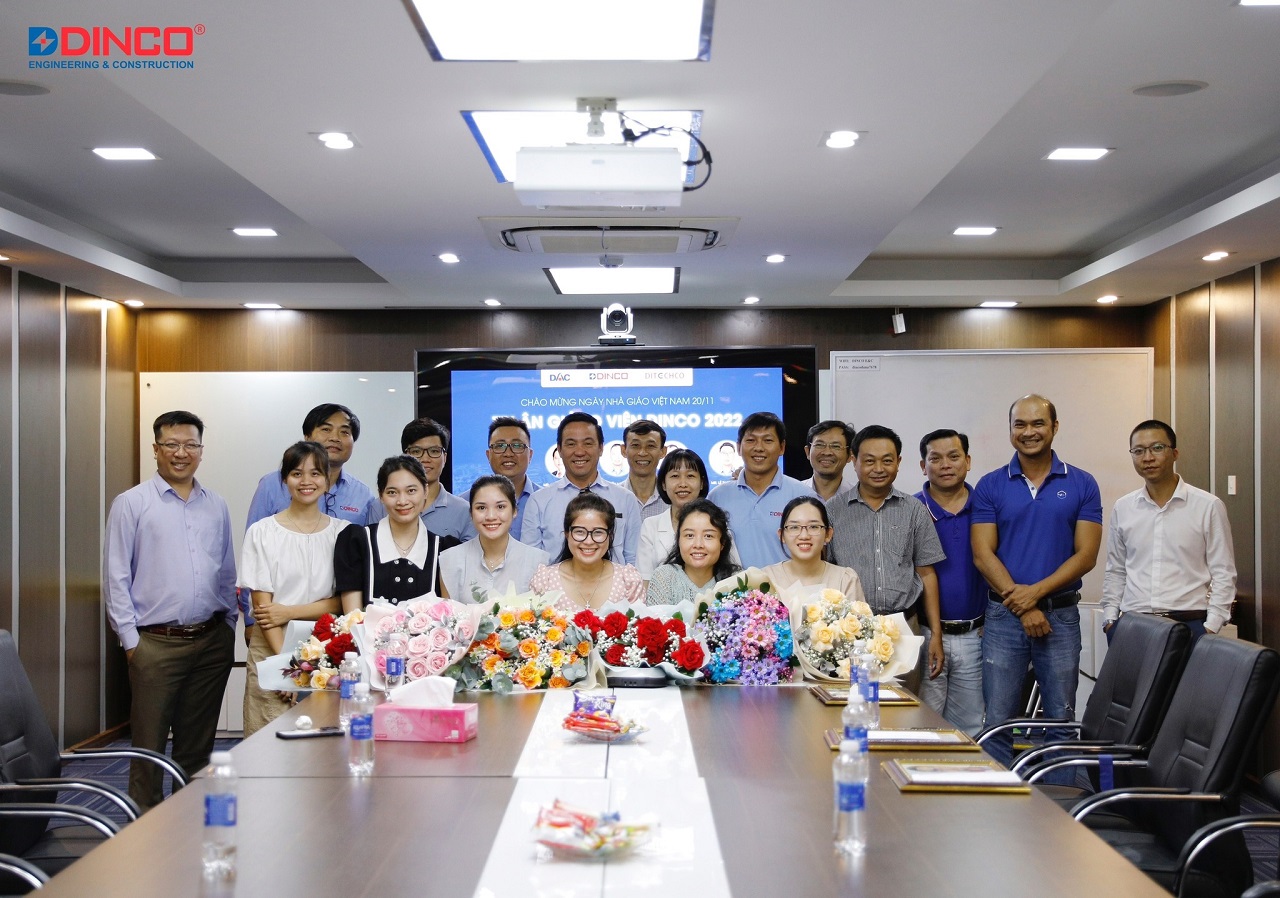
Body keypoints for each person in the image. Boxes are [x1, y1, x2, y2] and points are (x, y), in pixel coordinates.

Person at [104, 411, 237, 810]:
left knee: (198, 748)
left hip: (211, 641)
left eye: (190, 445)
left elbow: (226, 571)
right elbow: (116, 576)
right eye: (172, 445)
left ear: (201, 450)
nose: (182, 453)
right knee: (148, 748)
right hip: (155, 644)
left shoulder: (216, 505)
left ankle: (188, 825)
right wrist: (131, 642)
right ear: (156, 449)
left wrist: (229, 625)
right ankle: (143, 830)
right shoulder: (132, 503)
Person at [971, 395, 1103, 768]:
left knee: (1060, 720)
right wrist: (1024, 606)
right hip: (1003, 618)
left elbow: (1086, 556)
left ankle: (1060, 804)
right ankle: (999, 801)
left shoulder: (1082, 483)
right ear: (1010, 430)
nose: (1029, 432)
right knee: (999, 722)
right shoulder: (990, 484)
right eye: (1020, 424)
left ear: (1054, 427)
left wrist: (1034, 596)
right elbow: (982, 555)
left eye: (1038, 423)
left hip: (1060, 617)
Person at [239, 441, 350, 736]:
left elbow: (342, 603)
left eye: (315, 473)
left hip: (326, 649)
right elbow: (264, 610)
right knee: (268, 744)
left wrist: (288, 611)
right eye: (297, 473)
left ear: (327, 480)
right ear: (285, 479)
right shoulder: (262, 532)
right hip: (272, 647)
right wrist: (289, 668)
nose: (306, 481)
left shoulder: (342, 533)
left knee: (325, 743)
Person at [241, 403, 375, 639]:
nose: (335, 437)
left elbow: (356, 576)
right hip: (272, 626)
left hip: (330, 632)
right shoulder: (270, 488)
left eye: (344, 432)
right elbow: (256, 564)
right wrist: (251, 621)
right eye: (326, 429)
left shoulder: (363, 495)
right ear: (307, 436)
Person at [827, 425, 945, 679]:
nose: (879, 468)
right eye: (869, 461)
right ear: (853, 461)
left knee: (905, 701)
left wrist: (936, 634)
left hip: (904, 627)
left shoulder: (914, 509)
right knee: (855, 698)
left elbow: (927, 573)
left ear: (898, 462)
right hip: (850, 629)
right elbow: (824, 571)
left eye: (887, 461)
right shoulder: (832, 511)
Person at [1101, 419, 1236, 641]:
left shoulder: (1207, 506)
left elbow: (1223, 572)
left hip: (1190, 624)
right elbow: (1116, 569)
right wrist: (1110, 620)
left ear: (1175, 453)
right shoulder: (1123, 507)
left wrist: (1210, 627)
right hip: (1133, 624)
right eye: (1138, 451)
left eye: (1157, 448)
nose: (1147, 457)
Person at [914, 429, 987, 737]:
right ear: (923, 466)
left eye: (954, 456)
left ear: (967, 461)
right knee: (924, 724)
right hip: (926, 635)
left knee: (970, 727)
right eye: (936, 458)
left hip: (976, 634)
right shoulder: (912, 510)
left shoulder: (987, 508)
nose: (945, 465)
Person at [335, 455, 459, 610]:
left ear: (426, 491)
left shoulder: (444, 549)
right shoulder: (357, 542)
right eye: (392, 492)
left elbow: (448, 615)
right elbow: (353, 618)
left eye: (411, 491)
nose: (402, 501)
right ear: (381, 495)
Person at [523, 412, 643, 564]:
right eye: (571, 444)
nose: (579, 452)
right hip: (554, 579)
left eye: (587, 443)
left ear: (601, 448)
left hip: (615, 579)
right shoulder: (538, 501)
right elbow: (531, 562)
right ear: (559, 449)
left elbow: (634, 559)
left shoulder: (625, 499)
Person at [706, 411, 816, 569]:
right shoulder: (717, 497)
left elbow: (817, 554)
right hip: (730, 585)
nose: (759, 448)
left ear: (782, 447)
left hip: (788, 585)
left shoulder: (803, 496)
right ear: (739, 447)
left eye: (768, 440)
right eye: (751, 440)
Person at [439, 474, 549, 602]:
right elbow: (446, 613)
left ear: (514, 511)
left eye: (500, 507)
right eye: (481, 508)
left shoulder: (537, 562)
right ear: (471, 513)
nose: (491, 516)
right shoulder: (450, 560)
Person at [529, 492, 646, 610]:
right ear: (567, 534)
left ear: (610, 535)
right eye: (580, 532)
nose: (589, 541)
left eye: (598, 532)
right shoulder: (545, 581)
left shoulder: (628, 581)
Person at [638, 448, 741, 580]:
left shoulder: (717, 523)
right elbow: (645, 579)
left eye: (690, 476)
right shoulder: (651, 525)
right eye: (675, 476)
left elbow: (735, 576)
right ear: (663, 484)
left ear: (702, 483)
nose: (683, 484)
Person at [368, 418, 476, 541]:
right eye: (416, 451)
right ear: (405, 456)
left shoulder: (464, 511)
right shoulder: (380, 506)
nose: (425, 459)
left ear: (445, 457)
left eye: (434, 451)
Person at [763, 496, 865, 599]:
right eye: (794, 527)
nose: (804, 536)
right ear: (782, 535)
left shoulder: (845, 579)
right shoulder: (766, 578)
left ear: (828, 534)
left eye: (813, 527)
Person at [647, 499, 742, 604]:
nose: (698, 544)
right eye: (690, 535)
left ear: (722, 543)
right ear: (678, 540)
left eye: (708, 536)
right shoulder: (664, 578)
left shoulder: (737, 580)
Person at [485, 416, 539, 541]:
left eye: (517, 445)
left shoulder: (545, 501)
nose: (508, 453)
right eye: (500, 446)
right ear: (488, 455)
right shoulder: (466, 503)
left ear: (530, 455)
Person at [620, 419, 669, 520]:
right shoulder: (610, 498)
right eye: (635, 445)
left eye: (650, 446)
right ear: (624, 450)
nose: (642, 453)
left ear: (663, 451)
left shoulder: (673, 499)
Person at [801, 420, 857, 501]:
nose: (827, 452)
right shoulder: (794, 493)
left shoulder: (859, 497)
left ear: (849, 456)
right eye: (819, 445)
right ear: (807, 452)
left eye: (836, 446)